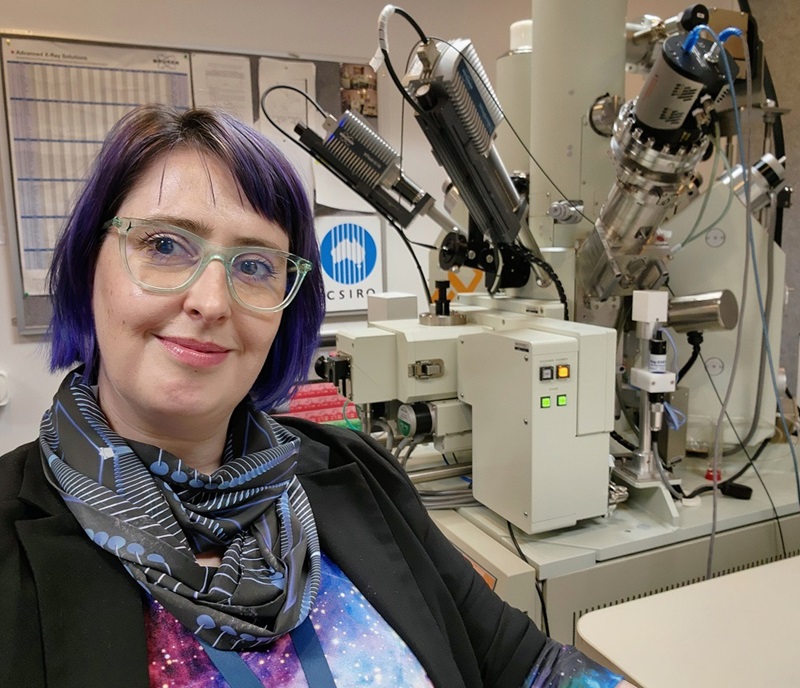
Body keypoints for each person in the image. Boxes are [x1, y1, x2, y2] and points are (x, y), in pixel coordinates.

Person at [0, 104, 632, 688]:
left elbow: (526, 665)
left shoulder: (357, 473)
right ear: (89, 266)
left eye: (254, 265)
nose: (211, 302)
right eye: (165, 246)